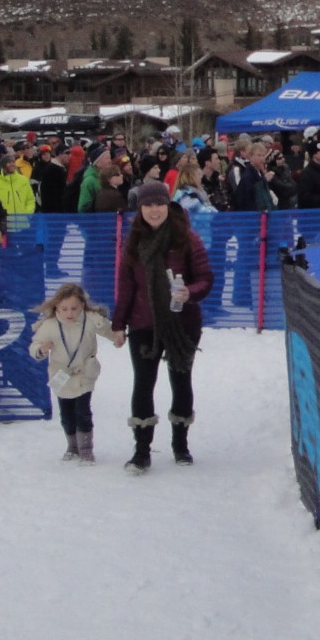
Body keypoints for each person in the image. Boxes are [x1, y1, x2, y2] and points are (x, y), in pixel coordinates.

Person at [111, 184, 212, 472]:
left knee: (181, 380)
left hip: (182, 324)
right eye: (148, 205)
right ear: (140, 209)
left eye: (159, 204)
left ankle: (181, 444)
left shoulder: (187, 238)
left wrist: (189, 292)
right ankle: (141, 450)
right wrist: (118, 324)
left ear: (168, 206)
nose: (154, 210)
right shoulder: (134, 241)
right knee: (143, 383)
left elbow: (206, 278)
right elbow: (126, 287)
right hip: (143, 323)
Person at [29, 283, 121, 463]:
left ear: (82, 306)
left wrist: (117, 337)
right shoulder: (49, 325)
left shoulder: (91, 319)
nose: (69, 313)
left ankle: (85, 449)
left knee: (83, 411)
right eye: (64, 309)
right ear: (57, 307)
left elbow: (109, 331)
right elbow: (35, 345)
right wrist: (41, 349)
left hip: (85, 373)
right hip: (61, 374)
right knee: (67, 414)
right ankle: (72, 446)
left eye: (74, 308)